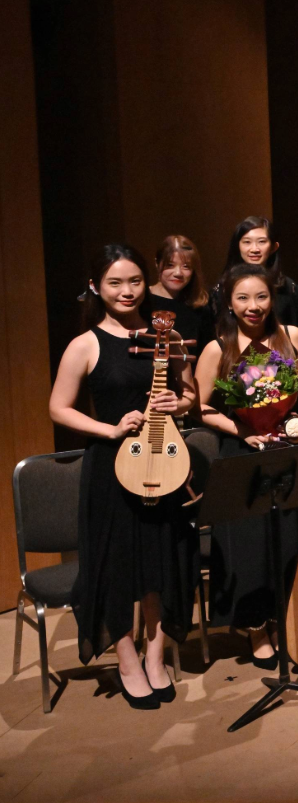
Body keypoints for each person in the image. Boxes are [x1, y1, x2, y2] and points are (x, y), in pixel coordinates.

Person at [48, 244, 198, 709]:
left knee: (158, 560)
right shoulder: (86, 343)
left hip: (162, 459)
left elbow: (190, 390)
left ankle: (156, 657)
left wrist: (183, 402)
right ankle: (127, 659)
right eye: (115, 282)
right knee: (117, 565)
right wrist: (109, 428)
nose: (127, 291)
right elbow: (58, 407)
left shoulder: (165, 336)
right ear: (97, 286)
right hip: (110, 468)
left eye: (134, 281)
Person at [195, 264, 298, 667]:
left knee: (285, 541)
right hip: (242, 455)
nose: (253, 306)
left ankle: (284, 619)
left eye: (261, 297)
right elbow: (201, 408)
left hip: (285, 450)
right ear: (229, 302)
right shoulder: (218, 347)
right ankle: (255, 630)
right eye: (243, 298)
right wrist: (242, 429)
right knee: (249, 548)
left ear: (273, 297)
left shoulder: (292, 337)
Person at [217, 216, 298, 335]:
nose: (254, 249)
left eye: (262, 242)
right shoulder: (224, 285)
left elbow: (295, 326)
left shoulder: (287, 286)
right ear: (237, 245)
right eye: (247, 242)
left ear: (273, 247)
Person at [145, 233, 215, 353]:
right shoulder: (142, 299)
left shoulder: (200, 305)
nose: (178, 273)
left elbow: (206, 352)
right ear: (157, 263)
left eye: (186, 267)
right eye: (170, 265)